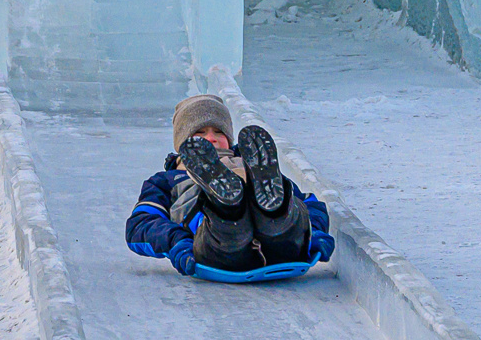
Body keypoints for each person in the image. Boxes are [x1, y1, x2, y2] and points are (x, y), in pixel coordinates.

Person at [126, 96, 333, 277]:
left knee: (285, 210)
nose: (211, 138)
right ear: (182, 141)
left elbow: (309, 203)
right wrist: (176, 242)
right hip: (216, 245)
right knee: (226, 227)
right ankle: (226, 204)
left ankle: (273, 210)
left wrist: (312, 232)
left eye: (219, 131)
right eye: (199, 132)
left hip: (282, 246)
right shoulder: (167, 180)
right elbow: (140, 224)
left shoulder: (253, 164)